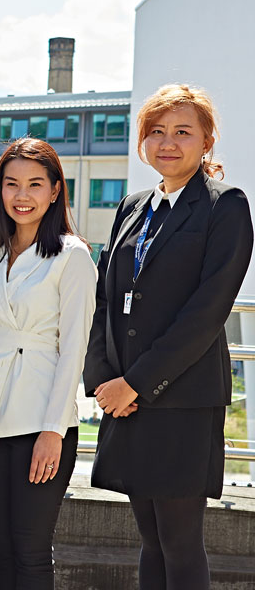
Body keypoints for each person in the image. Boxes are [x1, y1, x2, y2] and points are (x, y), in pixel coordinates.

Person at [85, 84, 253, 589]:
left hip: (180, 400)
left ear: (206, 141)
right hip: (126, 399)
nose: (168, 143)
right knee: (150, 540)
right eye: (156, 132)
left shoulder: (225, 207)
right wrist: (102, 379)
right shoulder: (133, 206)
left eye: (183, 132)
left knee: (181, 543)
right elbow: (104, 298)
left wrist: (135, 382)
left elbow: (207, 313)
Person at [0, 138, 96, 590]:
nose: (22, 196)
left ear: (54, 191)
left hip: (40, 425)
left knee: (30, 553)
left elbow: (74, 350)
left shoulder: (72, 257)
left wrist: (54, 431)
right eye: (11, 184)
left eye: (34, 184)